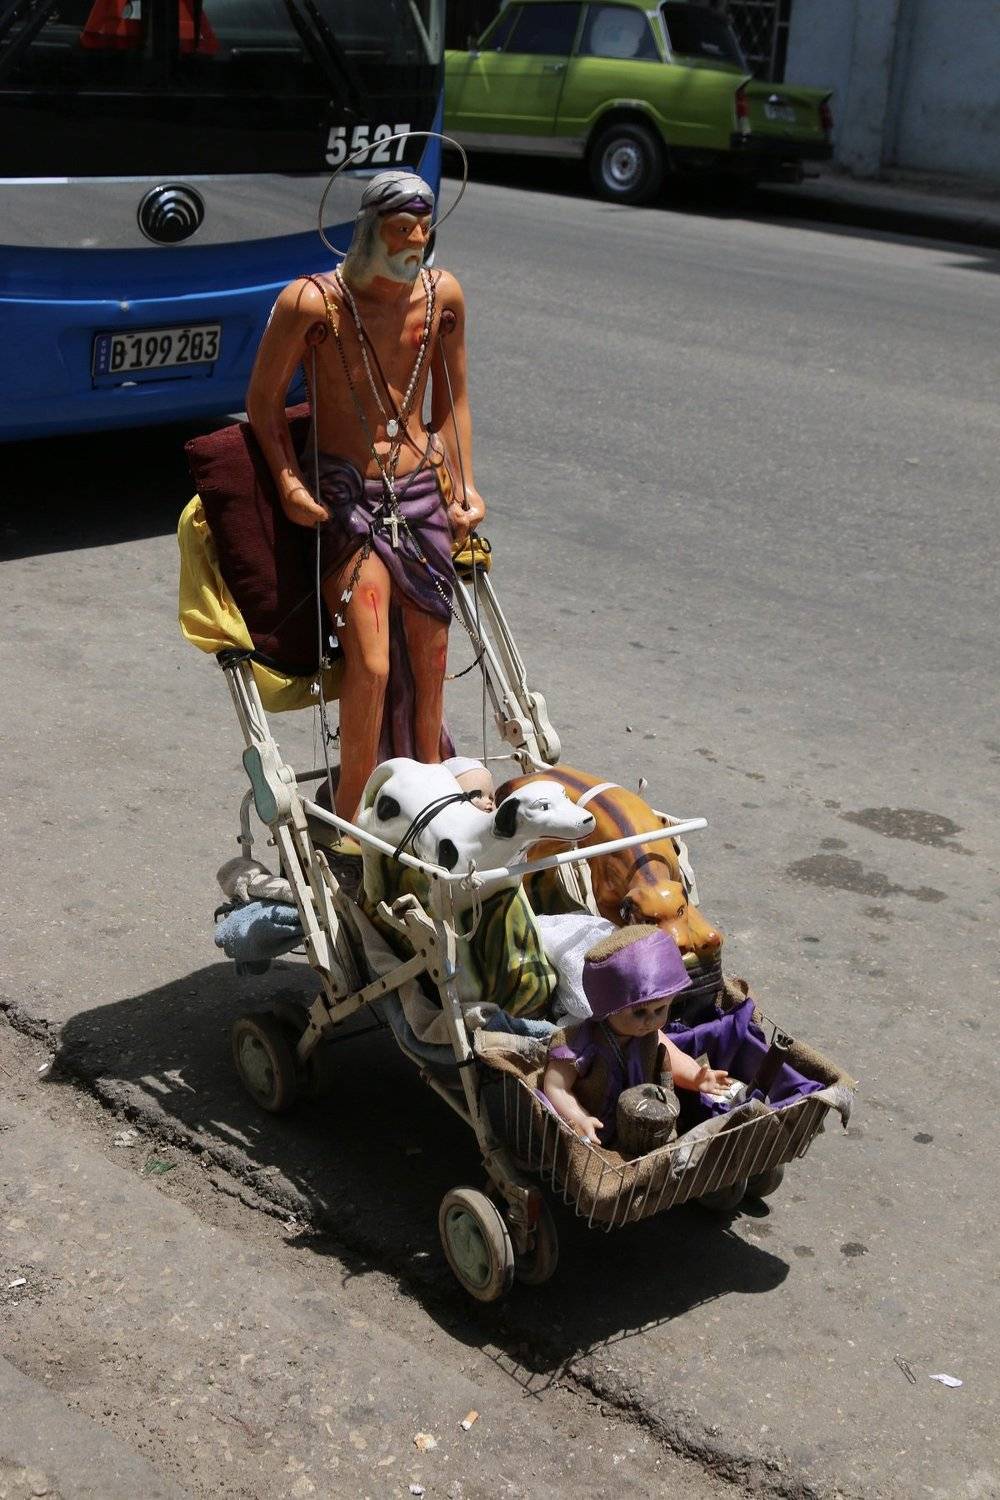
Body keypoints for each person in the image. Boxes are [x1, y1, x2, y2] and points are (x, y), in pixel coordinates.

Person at [246, 170, 486, 821]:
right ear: (369, 230)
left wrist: (465, 484)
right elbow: (263, 402)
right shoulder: (313, 303)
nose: (415, 241)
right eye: (401, 228)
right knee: (372, 662)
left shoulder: (441, 297)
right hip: (346, 497)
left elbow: (453, 402)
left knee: (432, 656)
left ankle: (431, 789)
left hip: (421, 492)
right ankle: (354, 814)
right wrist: (288, 481)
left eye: (423, 228)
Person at [542, 925, 733, 1146]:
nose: (650, 1021)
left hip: (644, 1122)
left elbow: (675, 1057)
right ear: (609, 1007)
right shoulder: (579, 1043)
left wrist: (697, 1077)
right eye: (639, 1012)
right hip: (598, 1127)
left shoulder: (650, 1035)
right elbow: (556, 1086)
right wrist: (580, 1117)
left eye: (660, 1009)